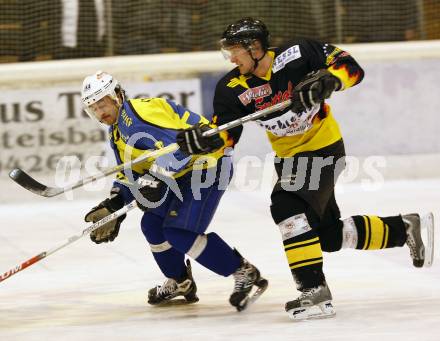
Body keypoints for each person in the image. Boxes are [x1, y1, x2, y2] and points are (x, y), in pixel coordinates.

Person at [177, 18, 435, 320]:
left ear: (255, 47)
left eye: (235, 51)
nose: (231, 59)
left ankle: (314, 292)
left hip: (323, 149)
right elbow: (226, 134)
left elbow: (351, 66)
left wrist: (331, 79)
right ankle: (404, 228)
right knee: (328, 236)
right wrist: (205, 141)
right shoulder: (231, 88)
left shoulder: (296, 53)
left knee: (286, 206)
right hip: (289, 159)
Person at [80, 71, 268, 310]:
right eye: (94, 108)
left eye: (102, 103)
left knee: (179, 232)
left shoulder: (136, 116)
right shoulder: (117, 131)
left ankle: (244, 272)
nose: (100, 112)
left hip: (208, 165)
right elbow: (130, 173)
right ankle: (181, 282)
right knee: (152, 225)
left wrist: (155, 178)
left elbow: (180, 148)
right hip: (182, 174)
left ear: (117, 95)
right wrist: (115, 204)